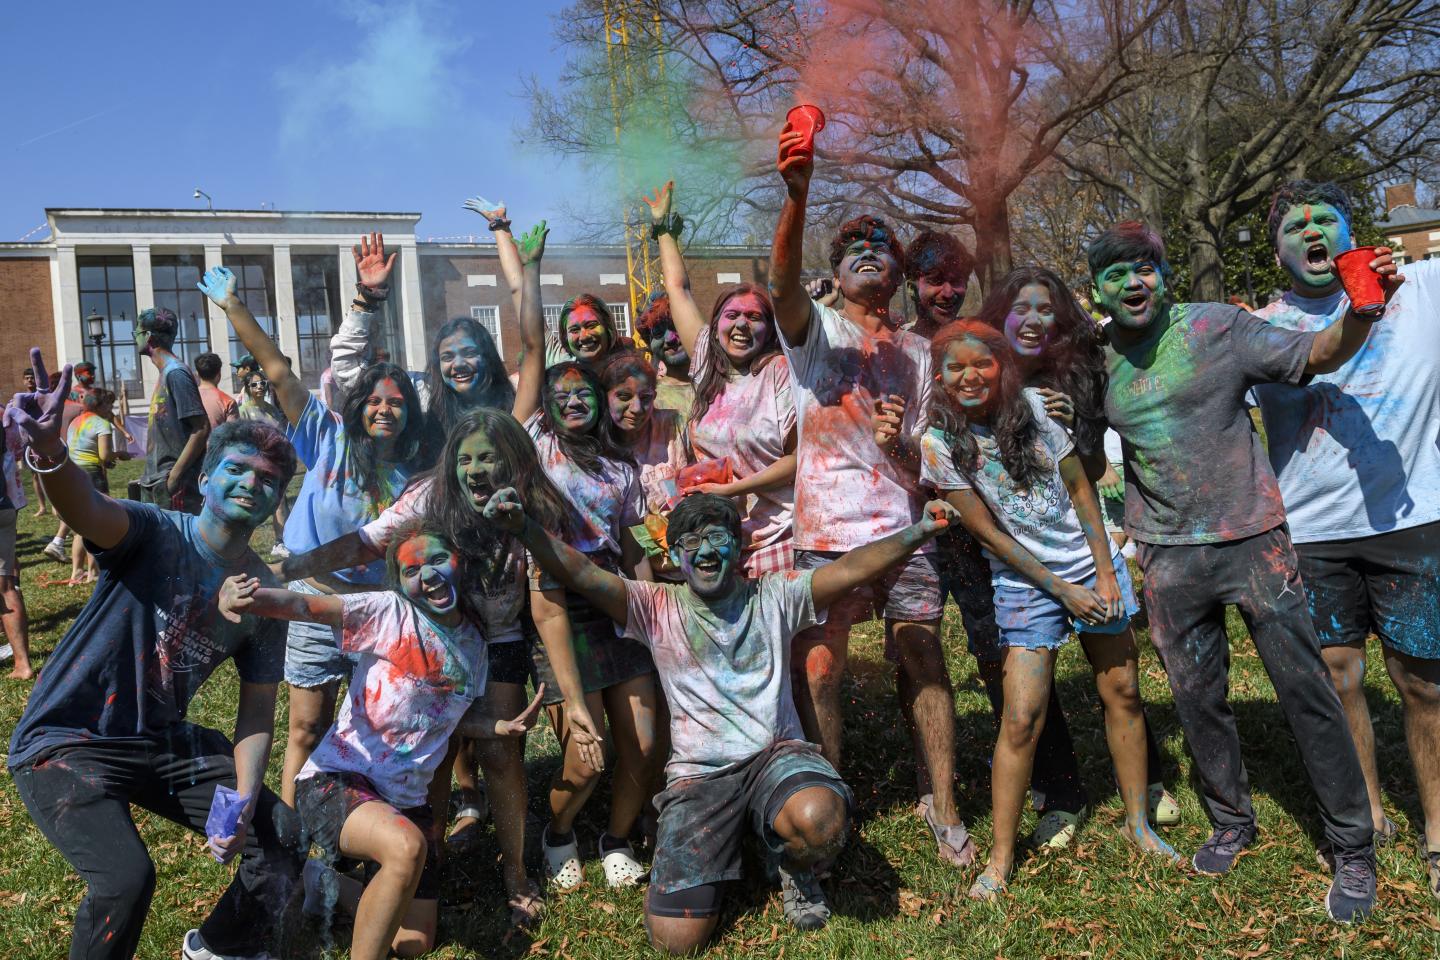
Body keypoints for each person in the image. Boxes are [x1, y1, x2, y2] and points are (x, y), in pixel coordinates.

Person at [1089, 219, 1401, 922]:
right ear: (1098, 288)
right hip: (1167, 555)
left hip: (1252, 540)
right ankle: (1231, 818)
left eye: (1147, 266)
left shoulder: (1218, 329)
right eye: (1118, 272)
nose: (1136, 281)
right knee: (1199, 699)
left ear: (1163, 275)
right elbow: (1078, 444)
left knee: (1306, 692)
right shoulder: (1095, 360)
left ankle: (1352, 847)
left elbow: (1317, 354)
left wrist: (1360, 311)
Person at [486, 487, 960, 949]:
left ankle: (793, 865)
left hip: (777, 757)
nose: (707, 552)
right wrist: (524, 528)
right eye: (692, 542)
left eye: (718, 537)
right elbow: (583, 573)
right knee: (674, 940)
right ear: (673, 555)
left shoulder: (776, 595)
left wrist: (918, 531)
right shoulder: (656, 606)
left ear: (739, 547)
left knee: (821, 821)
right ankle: (747, 841)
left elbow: (851, 567)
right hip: (699, 779)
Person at [6, 349, 302, 960]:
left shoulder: (264, 598)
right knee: (125, 880)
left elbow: (256, 713)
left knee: (280, 836)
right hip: (67, 741)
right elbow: (86, 508)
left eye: (268, 478)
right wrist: (51, 454)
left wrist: (243, 797)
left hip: (157, 742)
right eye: (238, 468)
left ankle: (218, 947)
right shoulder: (154, 531)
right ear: (206, 478)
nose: (252, 482)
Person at [768, 122, 972, 866]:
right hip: (825, 531)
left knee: (923, 656)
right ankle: (833, 797)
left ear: (896, 271)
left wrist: (899, 444)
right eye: (851, 246)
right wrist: (797, 196)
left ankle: (943, 803)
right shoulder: (814, 330)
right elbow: (783, 284)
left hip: (904, 532)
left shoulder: (919, 353)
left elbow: (927, 460)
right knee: (820, 667)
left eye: (879, 245)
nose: (865, 252)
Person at [920, 320, 1173, 898]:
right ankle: (1001, 858)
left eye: (981, 364)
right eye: (954, 367)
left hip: (1090, 564)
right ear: (939, 377)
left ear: (1002, 366)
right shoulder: (937, 443)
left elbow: (1082, 490)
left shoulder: (1033, 407)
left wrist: (1105, 573)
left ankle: (1138, 824)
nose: (969, 376)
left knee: (1123, 694)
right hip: (1027, 583)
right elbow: (986, 532)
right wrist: (1060, 590)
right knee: (1020, 718)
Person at [219, 524, 548, 960]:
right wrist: (249, 597)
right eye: (412, 569)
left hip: (407, 799)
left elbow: (449, 713)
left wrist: (496, 728)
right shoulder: (388, 612)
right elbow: (306, 604)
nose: (427, 575)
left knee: (413, 943)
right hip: (338, 781)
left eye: (436, 559)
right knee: (406, 847)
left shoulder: (473, 642)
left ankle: (324, 883)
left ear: (459, 563)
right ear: (399, 582)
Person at [1250, 180, 1440, 895]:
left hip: (1413, 518)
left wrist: (1400, 261)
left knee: (1423, 683)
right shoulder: (1263, 327)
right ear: (1278, 250)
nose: (1311, 232)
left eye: (1324, 219)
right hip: (1312, 532)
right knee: (1339, 676)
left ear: (1350, 231)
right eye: (1294, 226)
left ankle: (1438, 831)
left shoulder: (1423, 290)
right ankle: (1368, 814)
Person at [199, 262, 430, 811]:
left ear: (409, 412)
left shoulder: (417, 475)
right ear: (357, 406)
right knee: (305, 725)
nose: (383, 409)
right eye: (374, 400)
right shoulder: (326, 436)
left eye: (395, 402)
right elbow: (278, 370)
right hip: (310, 602)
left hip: (375, 608)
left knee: (374, 721)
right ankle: (293, 827)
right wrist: (234, 306)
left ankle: (358, 814)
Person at [976, 267, 1179, 848]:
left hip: (1088, 549)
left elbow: (1094, 474)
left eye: (1047, 309)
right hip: (1022, 568)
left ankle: (1146, 794)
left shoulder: (1080, 375)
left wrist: (1073, 430)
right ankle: (1060, 796)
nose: (1035, 319)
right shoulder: (982, 378)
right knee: (1028, 702)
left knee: (1121, 684)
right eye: (1021, 308)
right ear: (999, 318)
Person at [525, 358, 660, 889]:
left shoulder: (619, 465)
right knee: (586, 760)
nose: (574, 401)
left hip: (614, 601)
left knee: (645, 746)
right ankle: (558, 831)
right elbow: (532, 344)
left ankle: (616, 837)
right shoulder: (534, 449)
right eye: (563, 393)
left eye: (585, 392)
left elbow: (630, 545)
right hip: (556, 604)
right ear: (546, 403)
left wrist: (653, 609)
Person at [643, 179, 798, 578]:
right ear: (717, 325)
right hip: (718, 536)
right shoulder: (706, 364)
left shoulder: (778, 372)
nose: (742, 324)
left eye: (755, 316)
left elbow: (799, 460)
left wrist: (734, 491)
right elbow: (678, 288)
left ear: (769, 329)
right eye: (732, 316)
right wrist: (663, 229)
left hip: (777, 534)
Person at [134, 307, 211, 513]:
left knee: (176, 544)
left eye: (137, 333)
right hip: (158, 480)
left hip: (175, 485)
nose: (135, 338)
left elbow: (202, 428)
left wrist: (175, 476)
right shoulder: (165, 373)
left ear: (148, 337)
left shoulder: (175, 373)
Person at [599, 349, 686, 524]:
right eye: (624, 396)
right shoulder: (595, 444)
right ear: (604, 397)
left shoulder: (672, 426)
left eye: (645, 397)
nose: (637, 408)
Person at [65, 388, 131, 583]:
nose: (110, 409)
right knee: (95, 522)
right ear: (100, 405)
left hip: (73, 473)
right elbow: (104, 455)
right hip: (92, 475)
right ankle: (93, 572)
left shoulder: (75, 422)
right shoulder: (101, 423)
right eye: (109, 405)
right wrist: (120, 454)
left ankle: (77, 571)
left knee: (79, 526)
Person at [235, 370, 291, 553]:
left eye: (262, 383)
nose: (259, 387)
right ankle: (239, 544)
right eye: (254, 384)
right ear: (247, 387)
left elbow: (282, 435)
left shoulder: (272, 410)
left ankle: (280, 542)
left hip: (275, 463)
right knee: (251, 505)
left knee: (280, 501)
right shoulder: (242, 411)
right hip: (255, 464)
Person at [0, 407, 32, 679]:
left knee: (5, 585)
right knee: (6, 583)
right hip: (5, 505)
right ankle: (22, 663)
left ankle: (22, 665)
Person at [904, 230, 973, 340]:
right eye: (936, 281)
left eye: (956, 281)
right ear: (912, 289)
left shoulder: (980, 345)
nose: (948, 293)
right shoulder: (896, 350)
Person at [634, 292, 695, 417]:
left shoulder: (718, 387)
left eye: (676, 326)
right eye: (658, 331)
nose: (670, 338)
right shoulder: (644, 398)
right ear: (649, 342)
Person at [21, 367, 51, 519]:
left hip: (44, 438)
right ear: (23, 380)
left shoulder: (43, 396)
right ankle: (42, 506)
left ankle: (55, 504)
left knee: (50, 473)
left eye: (32, 377)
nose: (30, 380)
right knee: (35, 475)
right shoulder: (21, 399)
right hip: (28, 442)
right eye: (27, 378)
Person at [195, 351, 239, 428]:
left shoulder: (189, 398)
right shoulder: (228, 402)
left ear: (197, 374)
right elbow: (233, 434)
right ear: (219, 374)